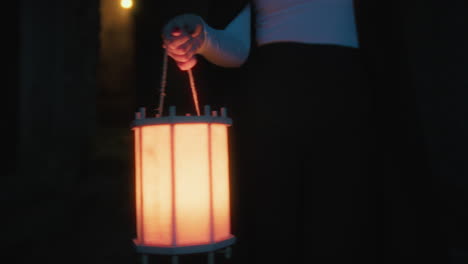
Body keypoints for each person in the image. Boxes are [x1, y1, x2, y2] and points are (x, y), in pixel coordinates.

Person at [161, 1, 376, 263]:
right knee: (273, 217)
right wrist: (201, 37)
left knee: (340, 217)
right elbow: (239, 48)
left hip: (342, 93)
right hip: (276, 97)